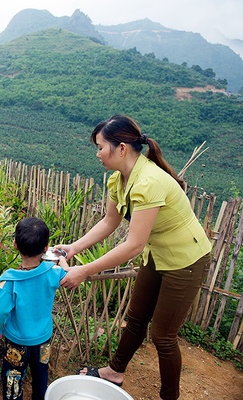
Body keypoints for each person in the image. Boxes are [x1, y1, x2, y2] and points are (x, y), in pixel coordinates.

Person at [56, 115, 211, 400]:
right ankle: (115, 372)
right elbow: (109, 222)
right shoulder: (119, 179)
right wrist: (74, 248)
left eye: (101, 146)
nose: (98, 153)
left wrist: (84, 271)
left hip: (186, 261)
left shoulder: (149, 181)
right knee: (136, 318)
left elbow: (133, 245)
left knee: (163, 337)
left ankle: (169, 397)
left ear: (122, 148)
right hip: (158, 255)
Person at [0, 217, 69, 400]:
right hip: (43, 340)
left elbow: (0, 312)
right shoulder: (53, 272)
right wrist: (62, 258)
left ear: (15, 245)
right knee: (41, 376)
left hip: (17, 342)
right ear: (45, 248)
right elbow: (67, 274)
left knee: (13, 378)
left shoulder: (10, 281)